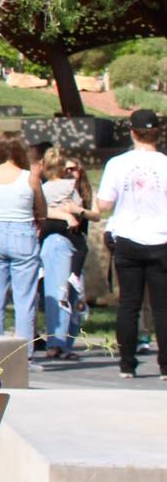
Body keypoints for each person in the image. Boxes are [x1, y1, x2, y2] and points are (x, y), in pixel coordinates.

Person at [97, 108, 167, 379]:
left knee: (129, 303)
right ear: (157, 133)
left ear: (132, 132)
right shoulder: (164, 163)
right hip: (161, 237)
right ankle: (165, 366)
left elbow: (105, 203)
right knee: (162, 306)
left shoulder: (118, 164)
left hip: (128, 237)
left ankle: (127, 363)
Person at [0, 131, 45, 348]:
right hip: (22, 231)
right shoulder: (29, 177)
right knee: (24, 298)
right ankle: (23, 353)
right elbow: (41, 208)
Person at [39, 148, 92, 360]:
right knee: (70, 291)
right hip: (69, 242)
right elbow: (77, 210)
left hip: (49, 243)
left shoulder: (42, 188)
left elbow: (39, 211)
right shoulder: (71, 187)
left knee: (55, 291)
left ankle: (57, 340)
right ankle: (61, 343)